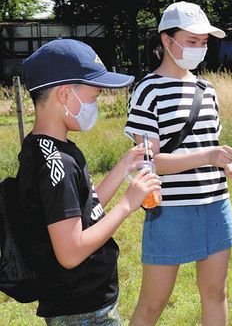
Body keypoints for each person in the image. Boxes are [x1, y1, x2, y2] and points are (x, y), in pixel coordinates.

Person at [16, 38, 162, 325]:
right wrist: (127, 205)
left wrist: (122, 168)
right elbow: (70, 252)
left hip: (85, 304)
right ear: (64, 95)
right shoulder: (54, 163)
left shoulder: (54, 149)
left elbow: (83, 209)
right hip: (81, 311)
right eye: (94, 96)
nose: (96, 104)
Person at [125, 1, 232, 325]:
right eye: (192, 41)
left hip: (216, 205)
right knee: (152, 304)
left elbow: (208, 147)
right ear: (166, 40)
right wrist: (207, 156)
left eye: (203, 43)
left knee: (216, 293)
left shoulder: (208, 90)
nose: (199, 49)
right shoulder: (147, 91)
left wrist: (227, 166)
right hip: (169, 210)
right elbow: (150, 163)